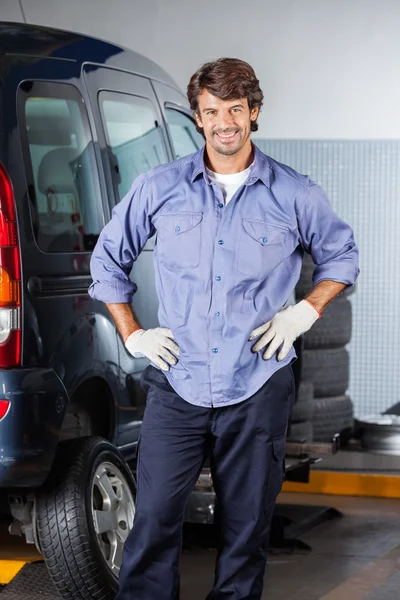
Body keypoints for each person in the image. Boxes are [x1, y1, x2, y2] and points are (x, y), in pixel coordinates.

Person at [89, 57, 359, 600]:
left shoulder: (294, 192)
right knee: (155, 522)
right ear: (198, 117)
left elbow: (343, 258)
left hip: (258, 381)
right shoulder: (160, 187)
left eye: (235, 109)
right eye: (212, 111)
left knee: (245, 530)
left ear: (254, 112)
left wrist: (304, 310)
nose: (224, 122)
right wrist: (134, 333)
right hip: (178, 379)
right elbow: (107, 261)